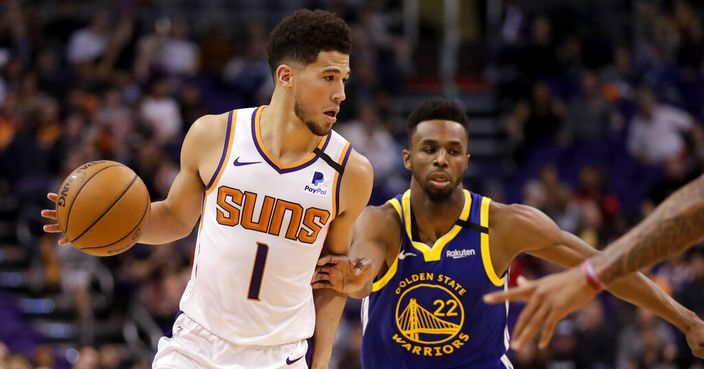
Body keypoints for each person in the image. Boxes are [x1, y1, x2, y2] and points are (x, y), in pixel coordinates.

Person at [41, 9, 373, 369]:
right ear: (286, 76)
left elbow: (331, 280)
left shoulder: (350, 172)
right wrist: (96, 220)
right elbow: (175, 217)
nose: (340, 93)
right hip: (196, 346)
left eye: (343, 79)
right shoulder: (216, 135)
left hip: (280, 356)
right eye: (328, 77)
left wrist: (320, 364)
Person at [311, 98, 704, 368]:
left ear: (467, 159)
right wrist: (355, 276)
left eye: (452, 149)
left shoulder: (504, 224)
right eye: (429, 149)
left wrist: (686, 320)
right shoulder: (383, 221)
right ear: (408, 158)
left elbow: (606, 267)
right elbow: (364, 272)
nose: (441, 158)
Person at [483, 174, 704, 357]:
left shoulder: (500, 222)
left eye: (454, 150)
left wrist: (590, 275)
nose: (445, 160)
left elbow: (693, 207)